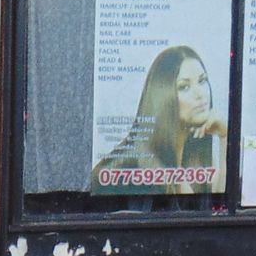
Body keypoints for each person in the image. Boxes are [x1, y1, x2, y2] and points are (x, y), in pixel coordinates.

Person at [93, 45, 224, 192]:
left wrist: (225, 136)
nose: (200, 94)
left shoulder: (194, 156)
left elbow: (218, 208)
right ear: (162, 97)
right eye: (184, 87)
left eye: (202, 80)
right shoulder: (136, 169)